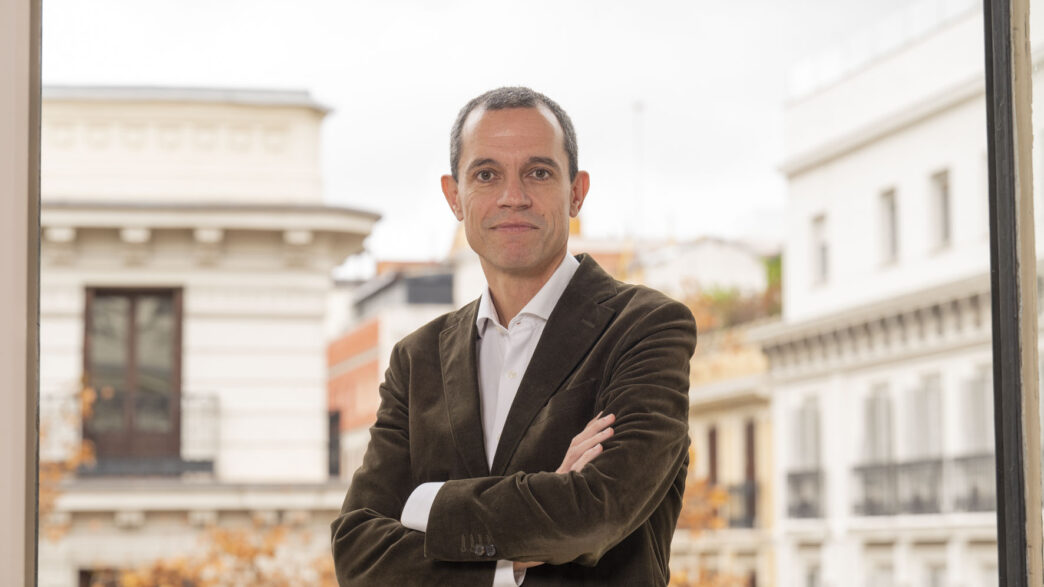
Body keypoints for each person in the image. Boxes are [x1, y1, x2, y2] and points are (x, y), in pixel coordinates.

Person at [331, 87, 697, 586]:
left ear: (576, 192)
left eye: (538, 172)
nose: (513, 197)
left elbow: (594, 512)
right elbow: (357, 552)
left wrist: (426, 504)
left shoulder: (646, 328)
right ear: (454, 197)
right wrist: (527, 531)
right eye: (486, 175)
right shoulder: (416, 360)